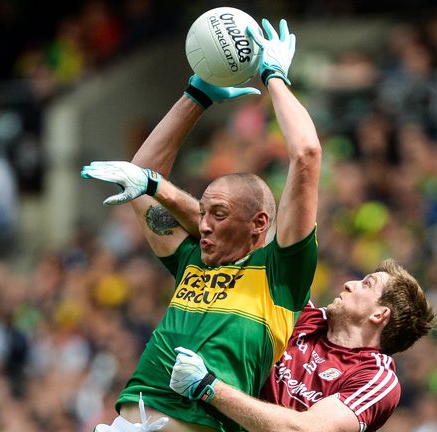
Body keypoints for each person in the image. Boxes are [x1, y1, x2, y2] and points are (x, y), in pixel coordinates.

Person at [83, 18, 321, 432]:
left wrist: (275, 77)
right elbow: (139, 179)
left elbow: (306, 155)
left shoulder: (281, 274)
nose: (203, 225)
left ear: (259, 223)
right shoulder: (191, 259)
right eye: (203, 211)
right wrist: (196, 96)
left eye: (219, 214)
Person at [169, 258, 436, 432]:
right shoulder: (305, 317)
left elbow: (306, 430)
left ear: (379, 315)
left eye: (366, 284)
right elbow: (243, 251)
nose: (349, 284)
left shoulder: (375, 378)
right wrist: (156, 192)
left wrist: (209, 388)